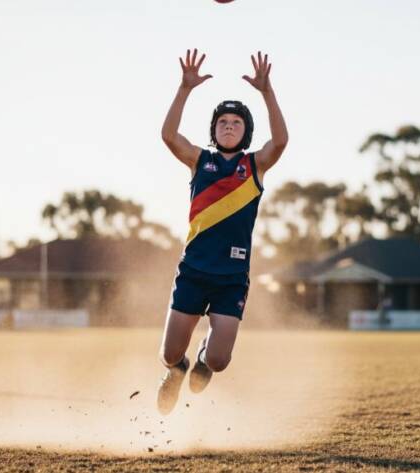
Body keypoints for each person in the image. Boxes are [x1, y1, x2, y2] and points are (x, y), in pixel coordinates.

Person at [156, 49, 288, 414]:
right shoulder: (200, 160)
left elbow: (280, 142)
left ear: (246, 131)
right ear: (214, 130)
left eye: (236, 122)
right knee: (168, 354)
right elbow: (168, 134)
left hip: (231, 277)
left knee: (218, 360)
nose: (229, 127)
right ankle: (177, 369)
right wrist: (184, 89)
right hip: (194, 271)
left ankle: (200, 359)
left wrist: (267, 92)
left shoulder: (255, 165)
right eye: (223, 122)